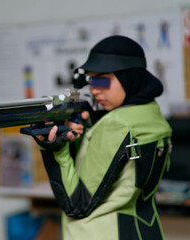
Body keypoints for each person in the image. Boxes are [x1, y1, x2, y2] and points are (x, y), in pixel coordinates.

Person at [35, 35, 172, 240]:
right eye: (91, 80)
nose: (95, 89)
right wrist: (85, 130)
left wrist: (56, 149)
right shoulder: (152, 115)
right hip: (144, 229)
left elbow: (77, 205)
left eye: (103, 80)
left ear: (129, 77)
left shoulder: (116, 123)